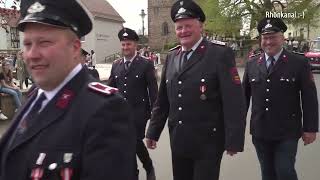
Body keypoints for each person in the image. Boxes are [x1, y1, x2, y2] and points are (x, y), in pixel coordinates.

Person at [0, 0, 136, 179]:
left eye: (44, 42)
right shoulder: (35, 96)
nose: (32, 54)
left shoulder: (105, 110)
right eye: (27, 44)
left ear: (75, 47)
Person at [145, 1, 246, 180]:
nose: (183, 31)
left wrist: (234, 139)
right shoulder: (172, 57)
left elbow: (234, 101)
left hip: (208, 141)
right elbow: (163, 100)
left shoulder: (219, 54)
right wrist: (153, 131)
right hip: (179, 140)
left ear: (200, 26)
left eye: (188, 26)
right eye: (179, 27)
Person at [242, 17, 319, 180]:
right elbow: (243, 99)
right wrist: (235, 129)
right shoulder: (252, 64)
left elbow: (309, 97)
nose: (269, 42)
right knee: (267, 172)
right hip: (260, 130)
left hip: (287, 131)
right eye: (265, 38)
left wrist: (310, 128)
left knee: (285, 171)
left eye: (273, 37)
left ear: (282, 38)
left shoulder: (299, 62)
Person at [107, 27, 158, 180]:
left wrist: (154, 118)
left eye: (128, 44)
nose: (125, 47)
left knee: (132, 140)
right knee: (128, 144)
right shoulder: (116, 65)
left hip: (139, 113)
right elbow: (109, 89)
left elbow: (153, 93)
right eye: (123, 44)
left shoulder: (145, 64)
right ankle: (136, 172)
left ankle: (147, 167)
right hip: (120, 114)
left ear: (135, 45)